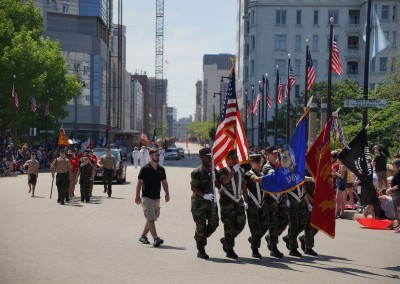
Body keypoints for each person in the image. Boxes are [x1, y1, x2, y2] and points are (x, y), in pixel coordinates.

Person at [135, 148, 170, 247]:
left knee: (152, 218)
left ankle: (143, 236)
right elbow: (139, 183)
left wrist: (167, 193)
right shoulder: (145, 169)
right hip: (147, 197)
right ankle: (156, 238)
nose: (158, 157)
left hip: (156, 197)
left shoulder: (161, 169)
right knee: (150, 217)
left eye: (159, 155)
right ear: (150, 156)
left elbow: (164, 182)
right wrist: (137, 196)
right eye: (156, 155)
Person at [190, 147, 220, 259]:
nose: (209, 158)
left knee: (214, 223)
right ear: (201, 157)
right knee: (201, 226)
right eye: (207, 156)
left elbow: (218, 185)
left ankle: (199, 237)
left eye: (210, 156)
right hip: (199, 204)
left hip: (212, 203)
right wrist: (204, 195)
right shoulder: (197, 171)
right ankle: (201, 249)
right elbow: (193, 187)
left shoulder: (213, 170)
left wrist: (214, 177)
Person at [218, 150, 247, 259]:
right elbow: (224, 182)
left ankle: (226, 240)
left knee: (241, 223)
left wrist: (246, 201)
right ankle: (230, 249)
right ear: (227, 159)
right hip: (227, 202)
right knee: (229, 226)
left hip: (238, 201)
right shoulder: (223, 171)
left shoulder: (241, 171)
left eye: (236, 158)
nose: (235, 161)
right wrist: (232, 171)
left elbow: (244, 187)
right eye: (232, 159)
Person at [261, 146, 287, 258]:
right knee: (274, 223)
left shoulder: (278, 166)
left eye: (277, 154)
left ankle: (271, 238)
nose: (276, 155)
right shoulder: (267, 167)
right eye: (273, 154)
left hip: (280, 198)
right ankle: (273, 247)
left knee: (285, 220)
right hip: (271, 199)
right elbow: (276, 177)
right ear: (268, 155)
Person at [244, 154, 269, 259]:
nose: (259, 164)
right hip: (253, 204)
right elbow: (256, 179)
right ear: (251, 163)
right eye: (256, 162)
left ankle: (253, 239)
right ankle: (255, 249)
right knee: (256, 229)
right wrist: (269, 177)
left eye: (260, 162)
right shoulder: (248, 174)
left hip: (262, 203)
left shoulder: (262, 173)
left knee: (265, 225)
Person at [386, 159, 400, 232]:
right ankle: (398, 225)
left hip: (397, 193)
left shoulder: (398, 173)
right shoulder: (396, 173)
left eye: (393, 164)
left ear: (395, 165)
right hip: (395, 193)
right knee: (397, 210)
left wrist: (390, 190)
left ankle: (399, 226)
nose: (392, 165)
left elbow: (399, 185)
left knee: (398, 210)